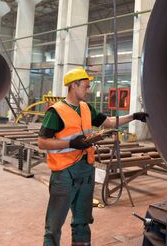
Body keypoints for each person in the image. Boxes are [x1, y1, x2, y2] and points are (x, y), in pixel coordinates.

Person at [37, 67, 148, 246]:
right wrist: (72, 143)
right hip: (64, 173)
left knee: (82, 221)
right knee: (54, 226)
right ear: (74, 85)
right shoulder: (55, 112)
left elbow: (110, 122)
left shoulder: (86, 108)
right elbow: (42, 142)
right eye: (86, 87)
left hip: (86, 170)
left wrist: (134, 116)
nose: (89, 91)